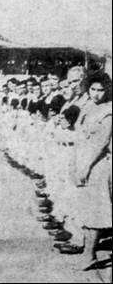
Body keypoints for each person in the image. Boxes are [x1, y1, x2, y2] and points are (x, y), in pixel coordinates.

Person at [57, 72, 112, 262]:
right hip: (83, 160)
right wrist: (74, 163)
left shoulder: (108, 110)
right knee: (86, 209)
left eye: (101, 90)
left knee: (95, 211)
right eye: (93, 89)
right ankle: (86, 252)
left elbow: (101, 143)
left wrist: (86, 167)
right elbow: (79, 139)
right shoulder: (88, 108)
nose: (97, 94)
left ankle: (89, 255)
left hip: (98, 165)